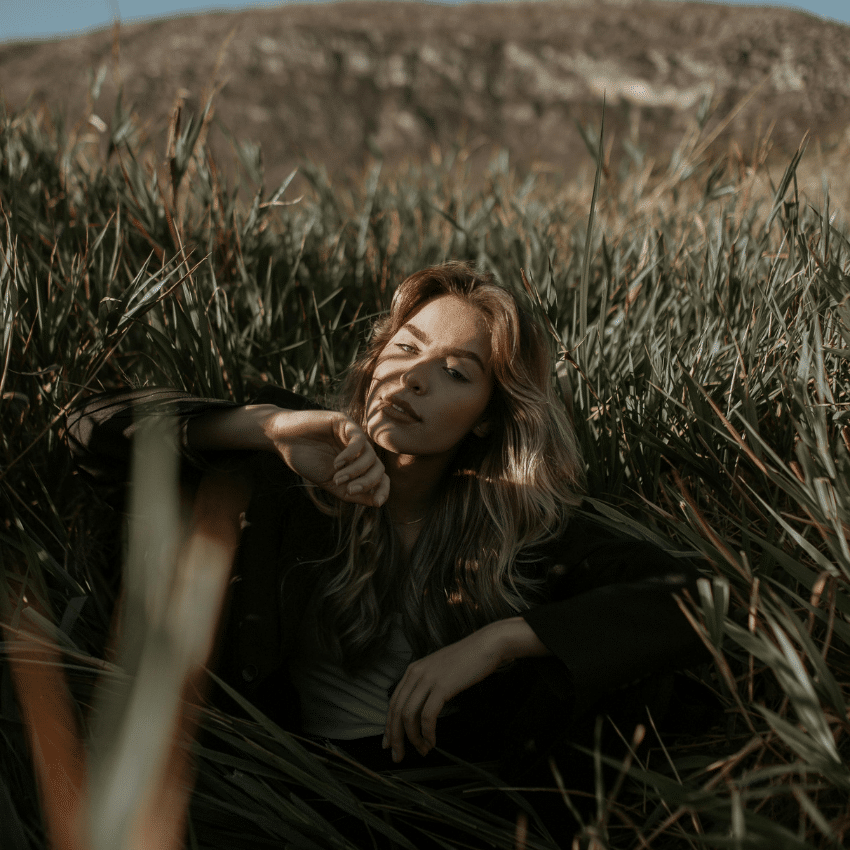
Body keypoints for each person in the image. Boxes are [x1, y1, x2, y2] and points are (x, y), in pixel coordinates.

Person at [67, 262, 706, 785]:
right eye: (404, 348)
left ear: (488, 416)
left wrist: (499, 642)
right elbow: (89, 429)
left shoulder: (519, 522)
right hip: (280, 787)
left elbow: (699, 599)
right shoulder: (290, 472)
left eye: (455, 373)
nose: (413, 377)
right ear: (375, 364)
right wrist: (267, 428)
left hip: (447, 803)